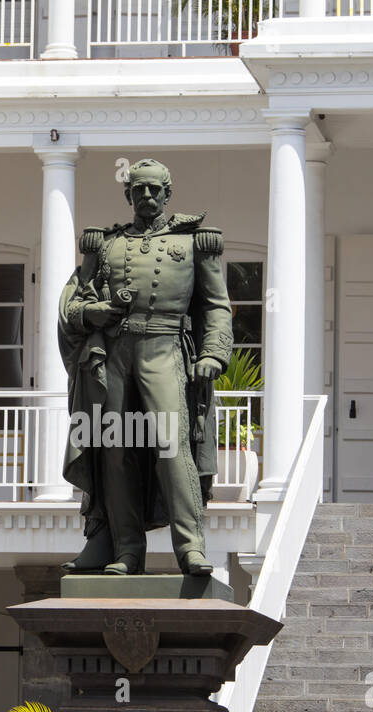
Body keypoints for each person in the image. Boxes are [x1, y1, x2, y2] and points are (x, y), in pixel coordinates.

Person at [57, 159, 233, 576]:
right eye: (140, 190)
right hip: (116, 355)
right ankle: (127, 551)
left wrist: (213, 354)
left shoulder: (193, 242)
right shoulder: (106, 245)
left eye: (156, 189)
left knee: (172, 448)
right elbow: (76, 305)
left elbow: (216, 307)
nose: (148, 196)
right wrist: (97, 312)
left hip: (165, 349)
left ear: (169, 194)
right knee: (117, 453)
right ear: (128, 194)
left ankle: (190, 547)